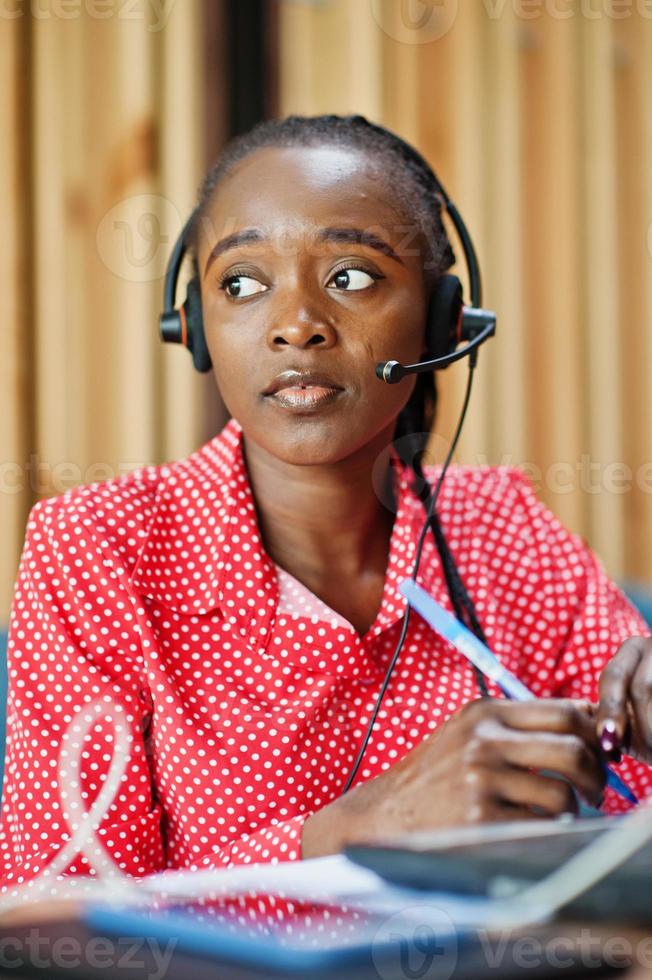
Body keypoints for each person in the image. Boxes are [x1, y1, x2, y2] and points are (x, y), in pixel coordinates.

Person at [1, 114, 651, 894]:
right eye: (241, 283)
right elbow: (56, 918)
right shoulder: (98, 548)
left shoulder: (502, 526)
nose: (297, 326)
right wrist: (350, 834)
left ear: (442, 322)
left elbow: (629, 841)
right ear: (197, 327)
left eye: (351, 277)